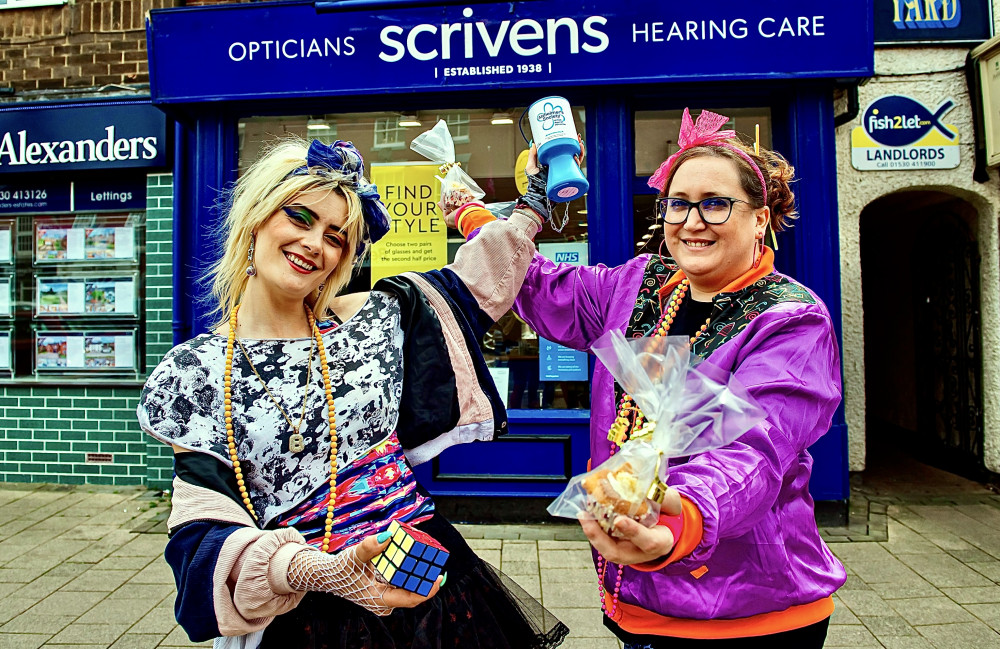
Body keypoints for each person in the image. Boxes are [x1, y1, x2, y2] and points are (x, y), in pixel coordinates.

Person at [137, 137, 568, 649]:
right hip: (306, 616)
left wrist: (532, 206)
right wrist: (322, 571)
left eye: (337, 237)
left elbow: (480, 278)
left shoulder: (373, 320)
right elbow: (202, 524)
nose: (315, 244)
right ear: (257, 219)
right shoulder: (195, 371)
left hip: (434, 589)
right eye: (300, 218)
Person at [446, 109, 845, 647]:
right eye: (678, 203)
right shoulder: (638, 286)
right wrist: (484, 216)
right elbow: (537, 284)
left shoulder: (789, 319)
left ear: (760, 219)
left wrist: (679, 518)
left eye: (716, 203)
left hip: (746, 612)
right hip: (634, 595)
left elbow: (753, 448)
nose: (692, 220)